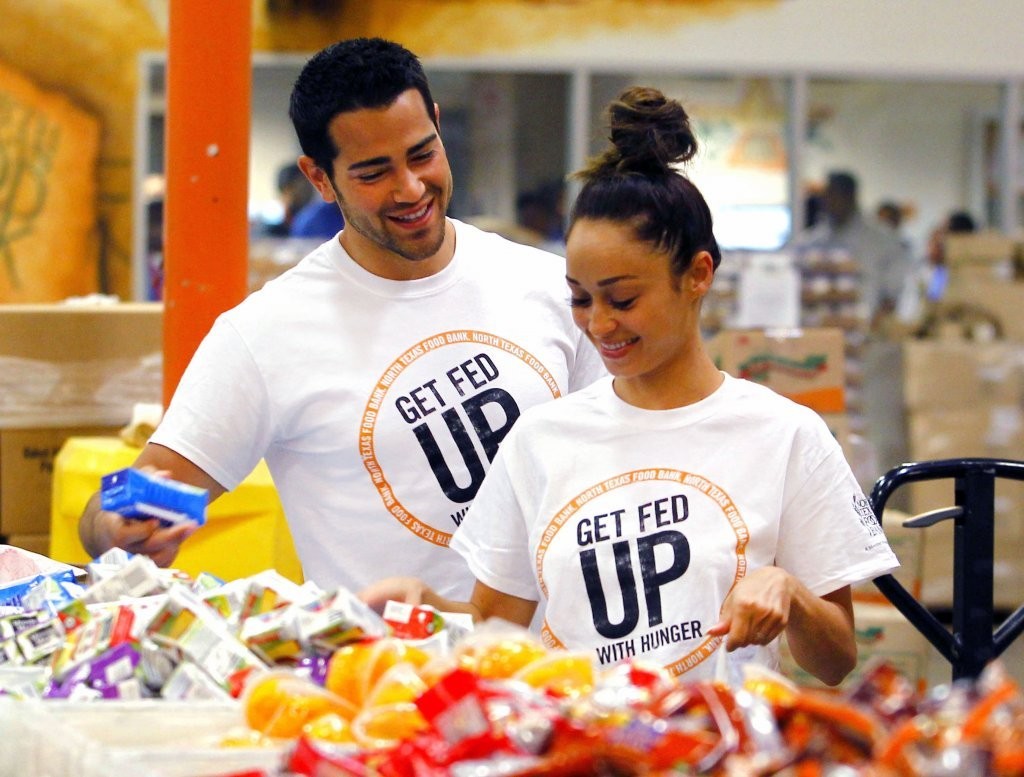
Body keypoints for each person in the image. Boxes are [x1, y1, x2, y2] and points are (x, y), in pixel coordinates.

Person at [360, 87, 899, 686]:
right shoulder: (541, 441)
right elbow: (494, 633)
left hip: (720, 750)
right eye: (581, 300)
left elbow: (837, 660)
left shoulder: (785, 434)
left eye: (623, 299)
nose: (599, 324)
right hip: (581, 746)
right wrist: (421, 605)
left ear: (697, 275)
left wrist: (790, 593)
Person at [78, 37, 606, 598]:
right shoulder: (265, 335)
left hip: (558, 670)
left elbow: (618, 455)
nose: (410, 188)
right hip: (384, 676)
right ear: (319, 177)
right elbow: (110, 511)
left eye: (422, 154)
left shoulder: (547, 285)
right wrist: (116, 525)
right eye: (373, 172)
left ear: (435, 122)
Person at [791, 172, 912, 331]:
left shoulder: (884, 240)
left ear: (850, 197)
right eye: (828, 195)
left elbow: (893, 293)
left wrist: (876, 324)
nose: (830, 201)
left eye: (836, 195)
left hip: (867, 336)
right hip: (818, 332)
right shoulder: (810, 241)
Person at [259, 162, 316, 237]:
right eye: (301, 187)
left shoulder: (315, 222)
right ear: (286, 190)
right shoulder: (270, 228)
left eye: (309, 185)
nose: (307, 191)